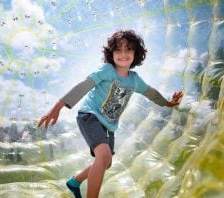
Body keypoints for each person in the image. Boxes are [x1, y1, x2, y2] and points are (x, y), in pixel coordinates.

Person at [38, 30, 183, 198]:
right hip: (90, 115)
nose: (123, 54)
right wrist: (58, 107)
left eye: (128, 49)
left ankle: (75, 181)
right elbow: (84, 85)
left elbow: (151, 93)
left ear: (135, 54)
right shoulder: (107, 70)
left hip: (109, 124)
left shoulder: (135, 80)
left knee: (105, 162)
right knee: (104, 155)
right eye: (118, 49)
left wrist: (168, 102)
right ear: (111, 53)